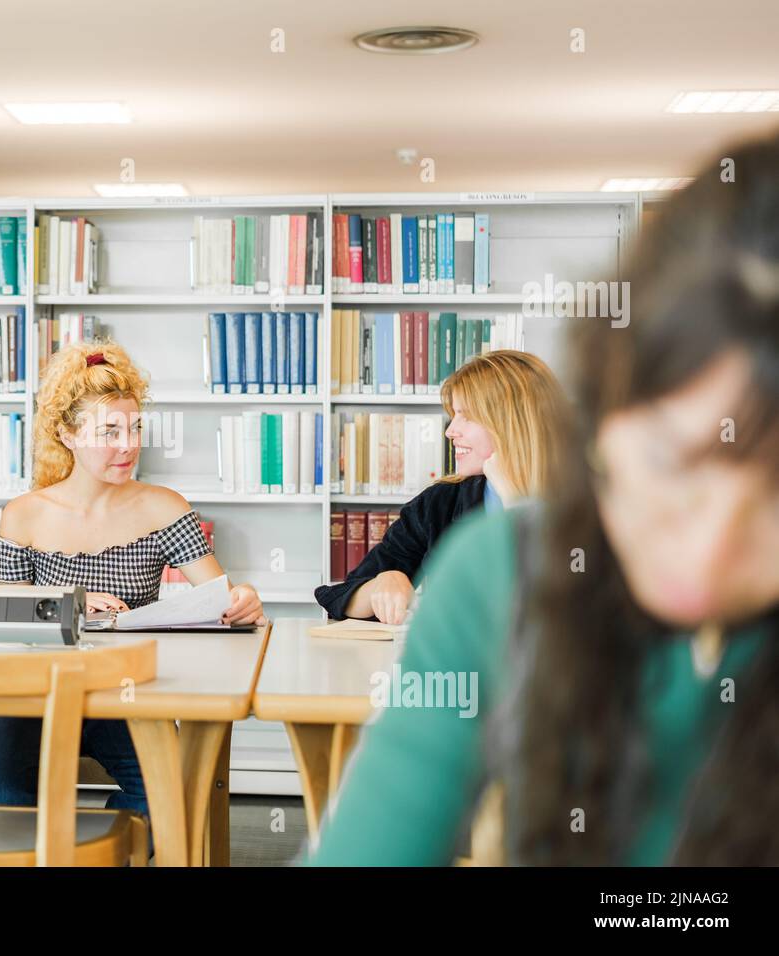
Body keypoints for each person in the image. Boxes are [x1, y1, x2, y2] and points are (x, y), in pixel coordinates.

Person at [309, 130, 779, 865]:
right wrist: (380, 587)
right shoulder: (491, 562)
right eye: (668, 462)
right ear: (605, 413)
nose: (711, 548)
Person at [0, 341, 265, 814]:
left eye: (134, 428)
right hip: (35, 694)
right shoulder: (23, 516)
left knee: (165, 801)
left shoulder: (164, 507)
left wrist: (244, 601)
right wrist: (71, 602)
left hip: (126, 692)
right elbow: (4, 627)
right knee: (8, 805)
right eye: (109, 431)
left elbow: (220, 597)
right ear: (67, 434)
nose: (128, 445)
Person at [315, 350, 569, 623]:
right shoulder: (440, 504)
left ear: (511, 422)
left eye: (467, 416)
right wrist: (381, 585)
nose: (450, 431)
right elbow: (339, 596)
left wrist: (514, 500)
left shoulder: (587, 502)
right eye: (453, 415)